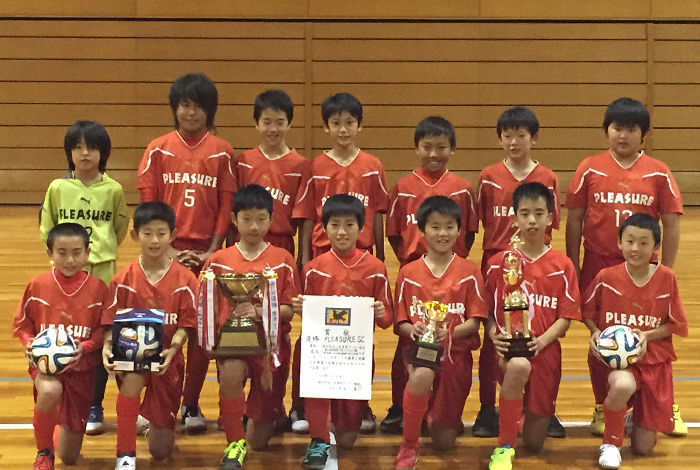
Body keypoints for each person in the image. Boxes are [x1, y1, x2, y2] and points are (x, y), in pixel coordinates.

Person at [565, 97, 685, 436]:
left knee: (652, 336)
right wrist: (573, 267)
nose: (623, 135)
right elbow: (574, 220)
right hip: (599, 264)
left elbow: (671, 222)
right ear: (607, 130)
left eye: (631, 129)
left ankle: (665, 403)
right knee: (602, 338)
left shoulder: (658, 171)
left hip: (645, 269)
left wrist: (666, 271)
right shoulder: (589, 168)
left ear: (643, 134)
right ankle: (603, 404)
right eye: (617, 128)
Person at [137, 73, 237, 433]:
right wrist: (168, 250)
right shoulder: (158, 148)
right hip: (165, 255)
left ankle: (191, 404)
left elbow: (226, 204)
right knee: (161, 330)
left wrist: (213, 250)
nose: (190, 112)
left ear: (209, 110)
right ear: (175, 108)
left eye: (198, 106)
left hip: (207, 256)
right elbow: (149, 208)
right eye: (184, 105)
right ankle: (154, 405)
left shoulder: (222, 150)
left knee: (200, 335)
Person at [290, 92, 390, 433]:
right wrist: (305, 257)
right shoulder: (315, 167)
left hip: (361, 261)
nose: (343, 129)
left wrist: (379, 255)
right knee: (314, 336)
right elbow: (307, 215)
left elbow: (378, 213)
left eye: (349, 123)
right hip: (323, 258)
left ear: (359, 125)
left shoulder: (373, 165)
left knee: (357, 336)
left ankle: (359, 405)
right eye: (336, 123)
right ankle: (302, 405)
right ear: (326, 127)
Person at [382, 115, 479, 434]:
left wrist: (451, 259)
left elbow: (470, 232)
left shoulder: (463, 188)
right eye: (427, 147)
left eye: (441, 147)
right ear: (416, 148)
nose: (434, 154)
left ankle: (443, 411)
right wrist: (412, 262)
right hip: (415, 272)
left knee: (446, 344)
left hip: (452, 273)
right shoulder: (402, 187)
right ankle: (400, 406)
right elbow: (393, 233)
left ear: (452, 149)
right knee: (408, 341)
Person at [474, 106, 562, 438]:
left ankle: (543, 409)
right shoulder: (488, 176)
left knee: (539, 333)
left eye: (521, 135)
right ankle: (487, 408)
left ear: (533, 138)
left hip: (536, 264)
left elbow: (552, 225)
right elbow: (477, 223)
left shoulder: (547, 177)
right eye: (507, 135)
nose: (514, 141)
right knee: (493, 340)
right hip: (498, 264)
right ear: (500, 139)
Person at [199, 184, 300, 470]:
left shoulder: (283, 260)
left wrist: (258, 310)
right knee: (230, 371)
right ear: (234, 220)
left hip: (271, 348)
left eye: (261, 219)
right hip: (233, 343)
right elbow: (204, 304)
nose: (254, 226)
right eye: (246, 219)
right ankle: (234, 442)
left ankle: (263, 415)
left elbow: (289, 310)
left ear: (271, 220)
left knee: (259, 441)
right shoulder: (218, 261)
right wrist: (209, 340)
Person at [39, 120, 129, 435]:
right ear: (69, 153)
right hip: (65, 273)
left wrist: (98, 254)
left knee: (99, 338)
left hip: (101, 271)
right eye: (77, 147)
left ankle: (94, 404)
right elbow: (47, 227)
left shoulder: (113, 189)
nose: (85, 153)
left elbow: (119, 229)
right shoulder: (57, 188)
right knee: (66, 335)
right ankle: (64, 400)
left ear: (103, 152)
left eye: (91, 147)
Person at [293, 194, 393, 469]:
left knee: (348, 438)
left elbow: (388, 320)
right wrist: (301, 307)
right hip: (322, 352)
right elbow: (307, 314)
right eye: (334, 225)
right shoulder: (313, 270)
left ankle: (342, 424)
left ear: (361, 228)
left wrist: (381, 313)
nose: (342, 232)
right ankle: (318, 439)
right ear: (323, 228)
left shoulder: (376, 269)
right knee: (314, 374)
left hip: (355, 354)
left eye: (349, 224)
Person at [485, 182, 581, 470]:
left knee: (535, 443)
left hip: (545, 351)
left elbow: (566, 318)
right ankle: (504, 446)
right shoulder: (499, 263)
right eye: (525, 214)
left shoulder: (563, 265)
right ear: (514, 218)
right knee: (518, 366)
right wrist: (493, 333)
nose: (532, 221)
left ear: (550, 217)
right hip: (509, 351)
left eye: (539, 214)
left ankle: (520, 414)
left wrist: (542, 341)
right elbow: (486, 310)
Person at [582, 214, 688, 469]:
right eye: (629, 241)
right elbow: (586, 312)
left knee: (643, 448)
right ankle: (610, 444)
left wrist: (647, 336)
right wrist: (595, 332)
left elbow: (676, 325)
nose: (635, 248)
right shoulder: (606, 277)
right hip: (618, 363)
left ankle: (626, 417)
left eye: (643, 242)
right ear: (619, 243)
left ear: (656, 246)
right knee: (621, 385)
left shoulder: (666, 278)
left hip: (654, 362)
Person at [101, 202, 199, 470]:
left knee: (160, 451)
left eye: (161, 233)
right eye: (147, 233)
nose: (155, 240)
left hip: (168, 360)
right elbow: (109, 322)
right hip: (132, 357)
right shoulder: (123, 279)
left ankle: (153, 420)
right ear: (135, 235)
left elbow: (187, 324)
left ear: (173, 235)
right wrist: (107, 346)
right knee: (132, 379)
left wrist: (173, 349)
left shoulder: (186, 279)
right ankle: (125, 453)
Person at [392, 196, 487, 469]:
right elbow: (400, 323)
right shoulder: (408, 273)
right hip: (419, 353)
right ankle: (409, 444)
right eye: (435, 227)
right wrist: (413, 329)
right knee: (422, 373)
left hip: (456, 355)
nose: (442, 233)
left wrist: (450, 332)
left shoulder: (470, 271)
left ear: (459, 230)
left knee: (444, 441)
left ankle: (438, 416)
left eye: (449, 227)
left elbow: (475, 321)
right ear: (422, 230)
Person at [14, 223, 109, 470]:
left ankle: (56, 424)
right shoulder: (37, 285)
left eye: (77, 252)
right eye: (62, 252)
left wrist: (86, 346)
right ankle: (44, 452)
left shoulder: (99, 289)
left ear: (87, 253)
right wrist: (28, 342)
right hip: (46, 367)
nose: (70, 260)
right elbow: (23, 324)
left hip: (82, 370)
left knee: (69, 456)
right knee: (49, 390)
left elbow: (104, 330)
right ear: (50, 253)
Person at [235, 89, 308, 258]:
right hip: (244, 243)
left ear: (289, 124)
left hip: (282, 244)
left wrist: (302, 259)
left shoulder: (301, 166)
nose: (273, 129)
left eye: (280, 122)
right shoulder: (243, 161)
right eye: (266, 122)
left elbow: (303, 220)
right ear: (257, 123)